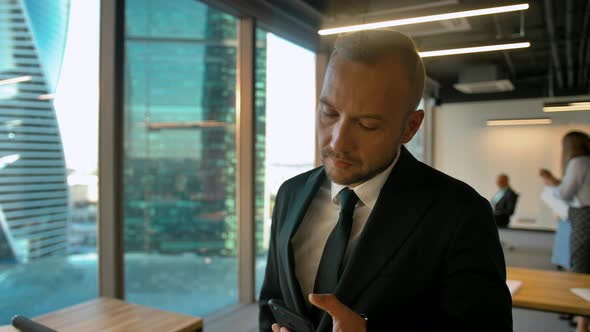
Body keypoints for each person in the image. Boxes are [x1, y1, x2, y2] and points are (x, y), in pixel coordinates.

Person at [259, 29, 512, 332]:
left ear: (410, 127)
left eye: (366, 124)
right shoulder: (291, 193)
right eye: (329, 112)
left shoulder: (461, 214)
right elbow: (272, 303)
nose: (338, 142)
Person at [540, 130, 590, 332]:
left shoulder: (578, 162)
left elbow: (566, 193)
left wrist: (551, 185)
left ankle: (581, 323)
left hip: (583, 216)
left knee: (580, 264)